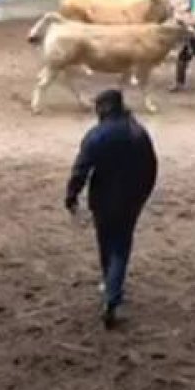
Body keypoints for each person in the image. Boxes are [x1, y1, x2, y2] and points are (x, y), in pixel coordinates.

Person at [65, 89, 157, 330]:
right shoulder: (139, 132)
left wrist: (71, 195)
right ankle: (112, 290)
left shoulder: (97, 135)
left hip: (103, 199)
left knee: (107, 243)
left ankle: (110, 288)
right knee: (121, 245)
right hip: (131, 198)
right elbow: (151, 166)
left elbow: (81, 168)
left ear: (104, 108)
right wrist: (142, 195)